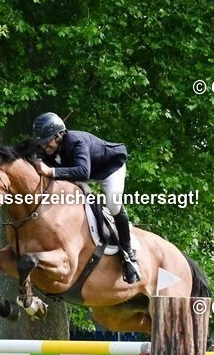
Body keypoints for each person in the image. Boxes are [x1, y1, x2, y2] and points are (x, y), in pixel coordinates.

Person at [32, 112, 140, 283]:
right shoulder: (48, 147)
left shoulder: (76, 141)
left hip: (109, 170)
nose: (45, 147)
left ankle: (129, 255)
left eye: (47, 142)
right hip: (83, 174)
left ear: (59, 135)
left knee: (113, 204)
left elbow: (83, 171)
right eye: (42, 144)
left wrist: (50, 171)